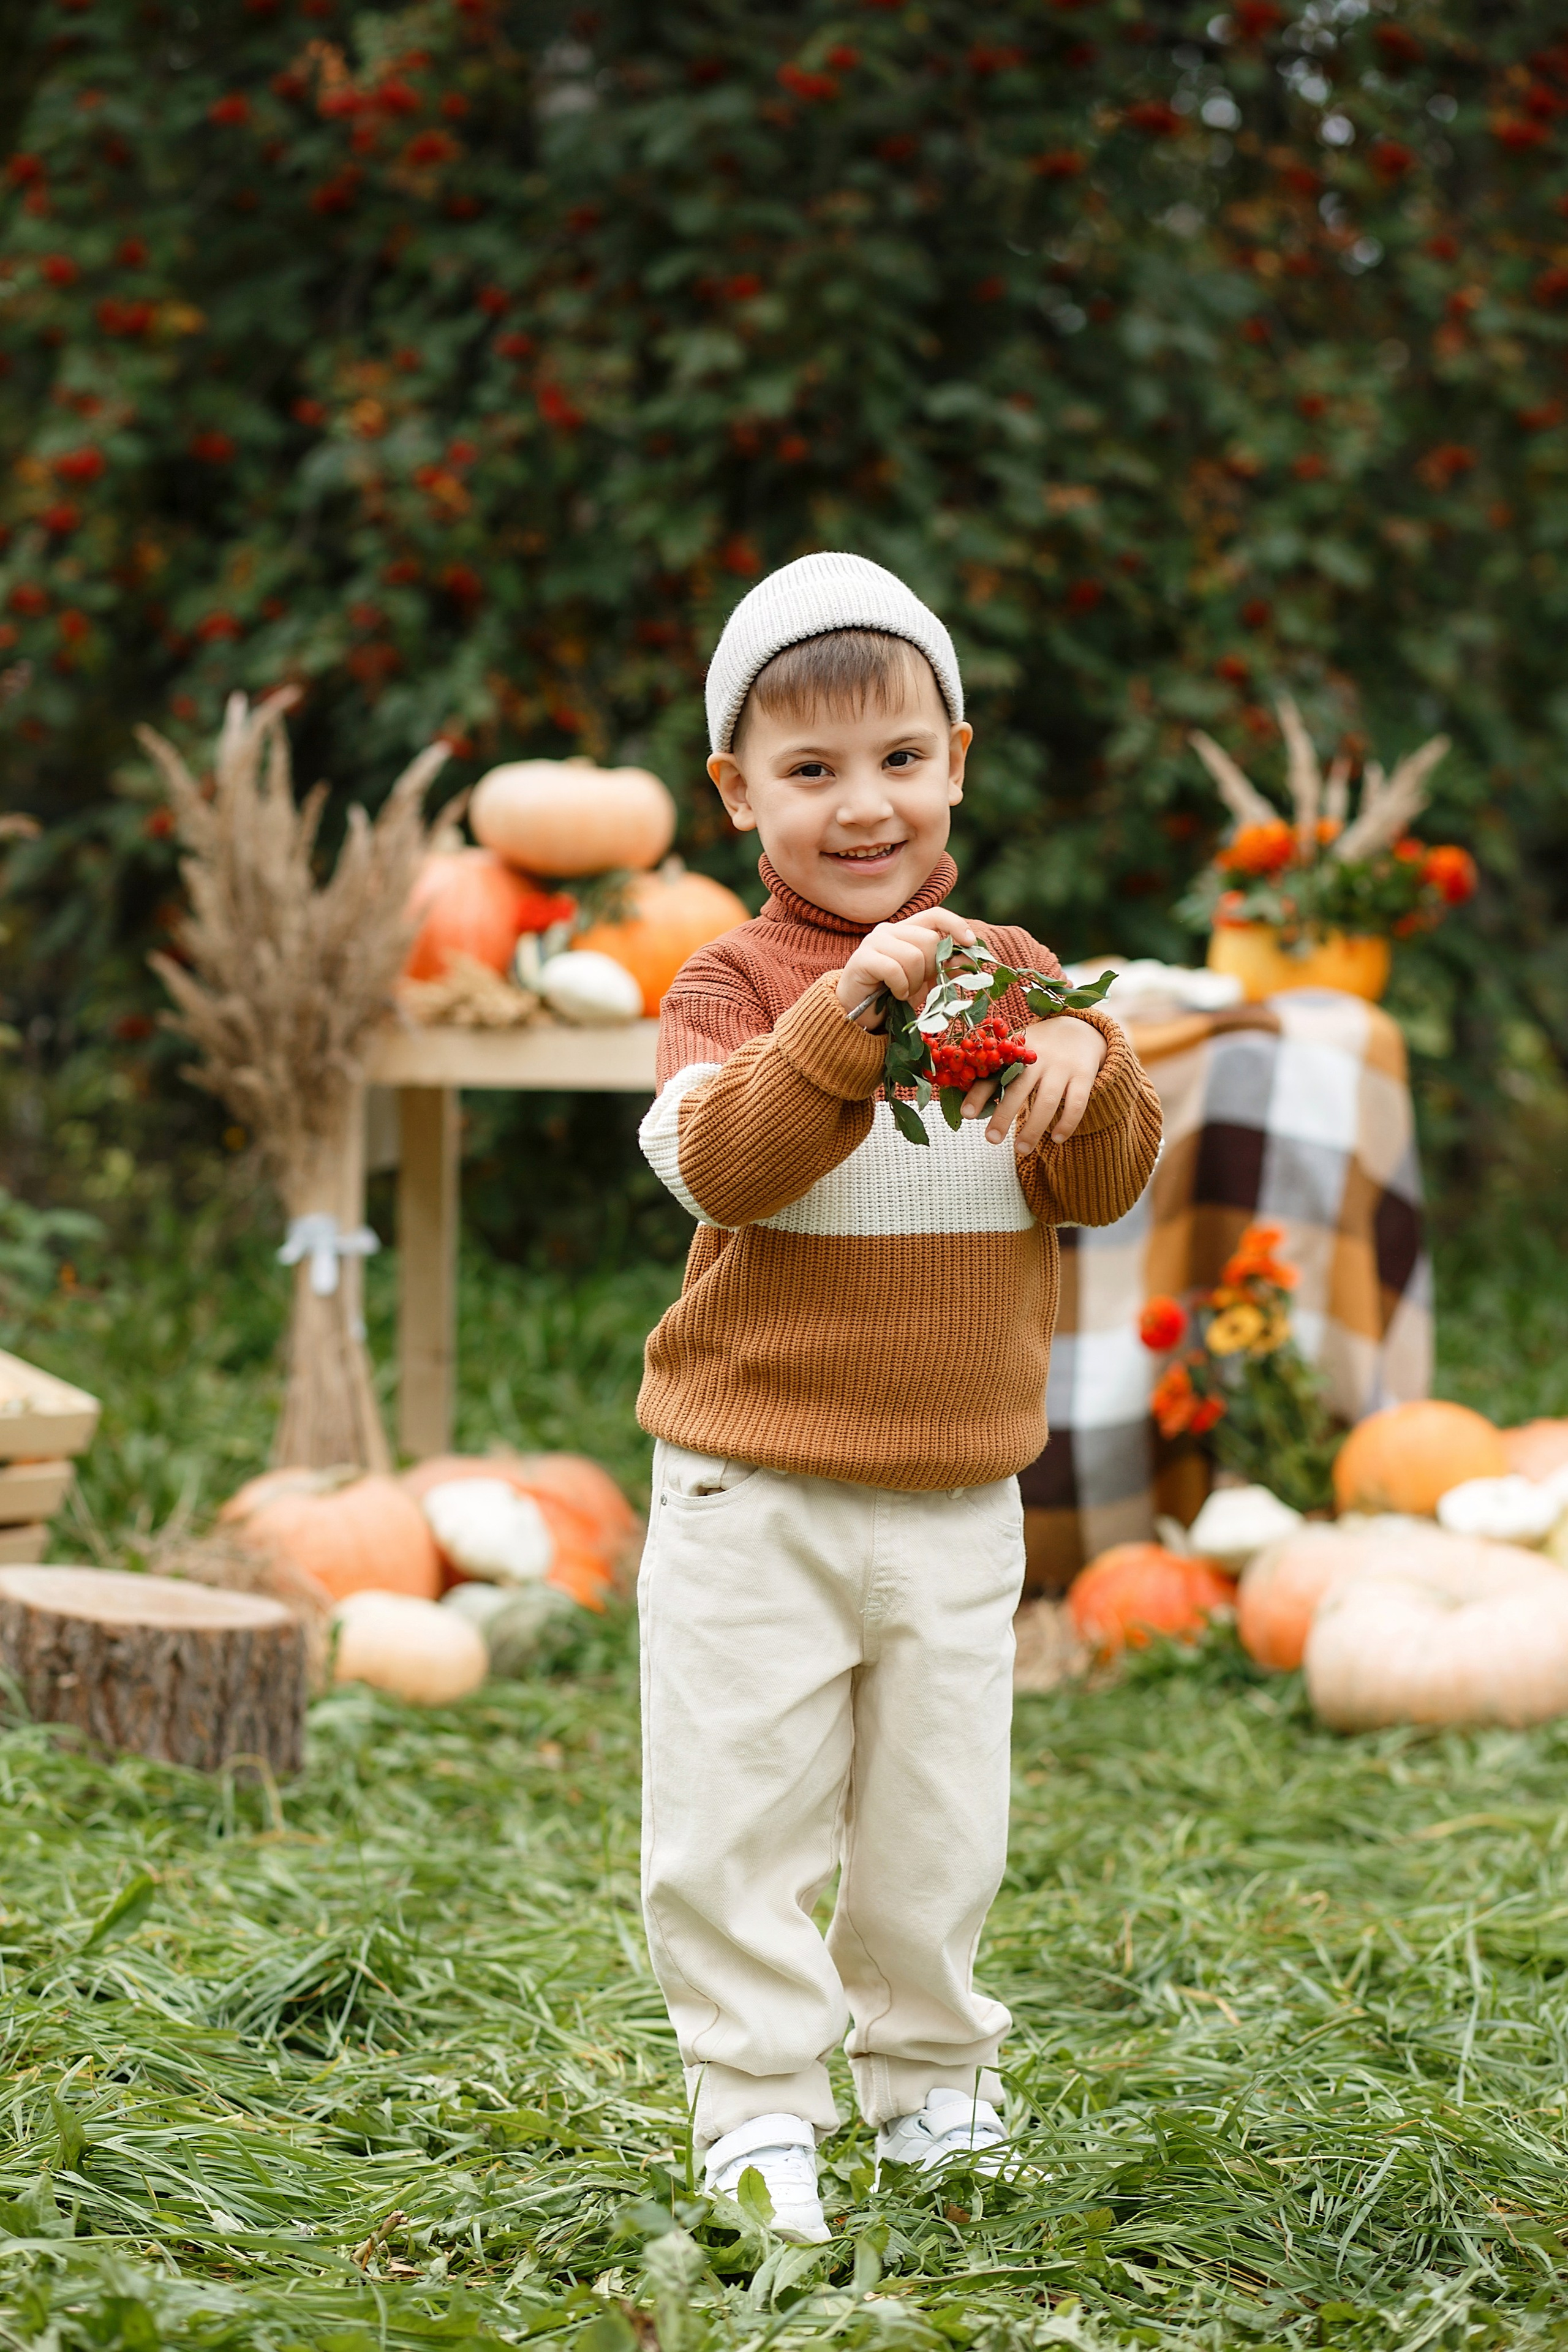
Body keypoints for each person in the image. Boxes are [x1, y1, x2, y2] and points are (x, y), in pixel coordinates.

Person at [635, 551, 1162, 2241]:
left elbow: (1096, 1185)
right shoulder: (728, 991)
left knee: (938, 1827)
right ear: (737, 793)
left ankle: (932, 2083)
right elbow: (733, 1165)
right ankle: (758, 2115)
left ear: (957, 759)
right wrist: (856, 1007)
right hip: (754, 1490)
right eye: (811, 771)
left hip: (955, 1493)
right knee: (736, 1819)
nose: (864, 808)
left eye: (899, 760)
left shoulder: (1016, 973)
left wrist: (1092, 1061)